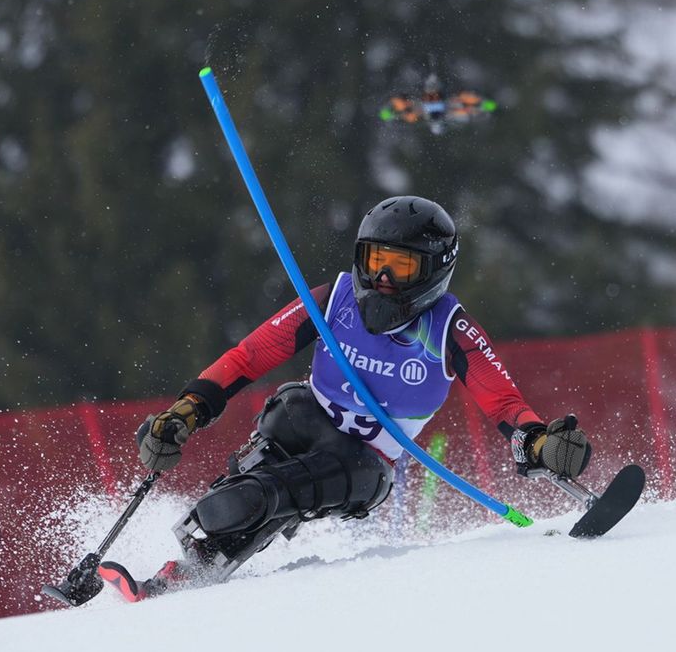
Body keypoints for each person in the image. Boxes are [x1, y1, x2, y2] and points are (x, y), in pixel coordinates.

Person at [96, 195, 593, 601]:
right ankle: (186, 570)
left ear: (433, 271)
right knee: (266, 451)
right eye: (375, 263)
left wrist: (540, 443)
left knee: (265, 497)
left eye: (400, 268)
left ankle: (234, 518)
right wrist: (187, 410)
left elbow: (503, 402)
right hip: (302, 419)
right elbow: (250, 355)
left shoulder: (449, 329)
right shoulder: (332, 299)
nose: (382, 281)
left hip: (365, 463)